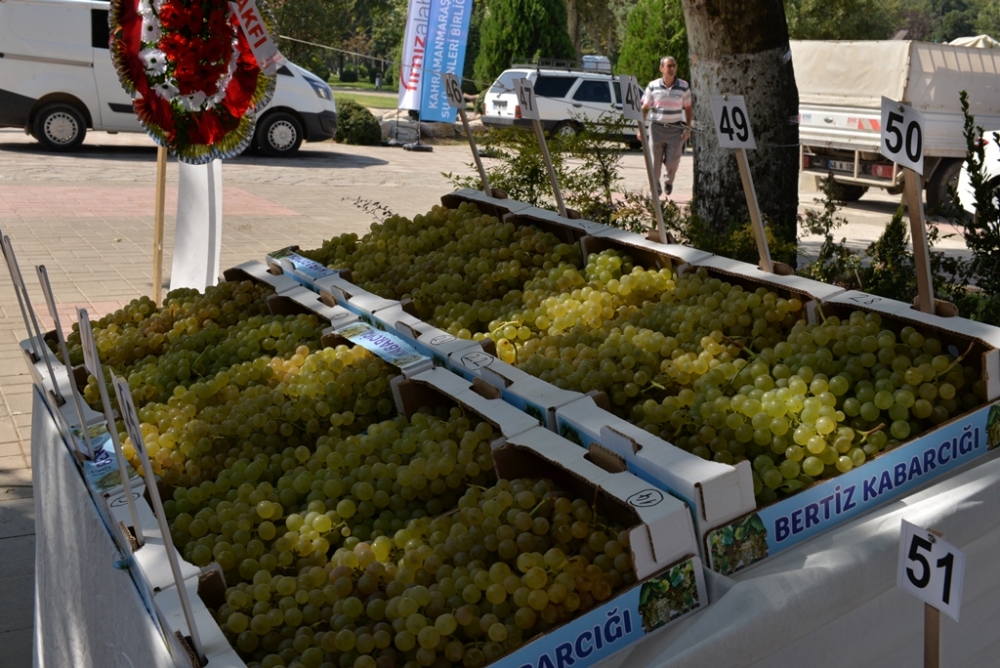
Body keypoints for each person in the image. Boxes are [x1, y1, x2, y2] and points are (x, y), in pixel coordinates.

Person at [637, 56, 692, 197]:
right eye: (669, 66)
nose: (672, 68)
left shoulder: (683, 86)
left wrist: (688, 127)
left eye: (674, 65)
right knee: (654, 163)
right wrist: (640, 128)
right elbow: (644, 107)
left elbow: (688, 108)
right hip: (656, 129)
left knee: (672, 162)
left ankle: (669, 181)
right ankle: (655, 190)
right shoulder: (653, 86)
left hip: (675, 129)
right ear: (661, 68)